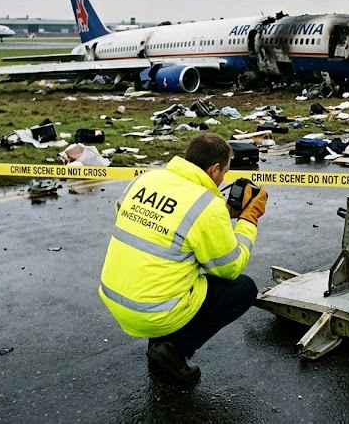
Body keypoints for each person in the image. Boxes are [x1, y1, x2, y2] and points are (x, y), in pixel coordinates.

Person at [98, 132, 268, 383]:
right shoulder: (207, 206)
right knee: (243, 288)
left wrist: (217, 220)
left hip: (115, 297)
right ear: (214, 169)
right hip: (155, 311)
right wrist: (248, 219)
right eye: (224, 173)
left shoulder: (146, 179)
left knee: (168, 261)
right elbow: (229, 268)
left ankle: (158, 340)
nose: (223, 179)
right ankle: (173, 348)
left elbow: (134, 216)